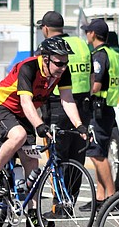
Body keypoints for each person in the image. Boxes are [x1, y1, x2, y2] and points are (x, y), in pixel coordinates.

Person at [0, 36, 88, 227]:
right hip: (0, 105)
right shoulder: (29, 68)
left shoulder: (62, 72)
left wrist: (79, 125)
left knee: (31, 160)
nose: (63, 67)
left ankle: (32, 213)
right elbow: (25, 101)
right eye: (59, 63)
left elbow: (67, 100)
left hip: (24, 112)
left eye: (66, 63)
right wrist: (40, 125)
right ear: (46, 58)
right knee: (18, 135)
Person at [37, 11, 91, 170]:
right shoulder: (81, 44)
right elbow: (92, 77)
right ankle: (71, 195)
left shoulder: (49, 47)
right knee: (77, 157)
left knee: (57, 158)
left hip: (57, 106)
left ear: (45, 29)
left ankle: (58, 195)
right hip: (83, 107)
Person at [84, 18, 119, 208]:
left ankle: (112, 198)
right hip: (108, 108)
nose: (86, 35)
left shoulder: (98, 56)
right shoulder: (112, 53)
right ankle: (100, 197)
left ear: (93, 34)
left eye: (87, 32)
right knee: (100, 152)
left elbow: (97, 83)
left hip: (98, 108)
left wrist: (85, 96)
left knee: (96, 153)